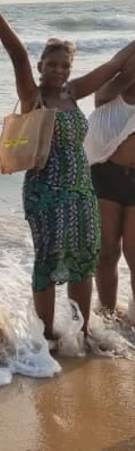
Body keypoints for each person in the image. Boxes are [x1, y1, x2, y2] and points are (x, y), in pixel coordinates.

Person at [0, 1, 135, 343]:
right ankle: (48, 337)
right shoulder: (33, 96)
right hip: (45, 192)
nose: (58, 70)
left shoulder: (72, 92)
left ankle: (80, 334)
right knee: (49, 262)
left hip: (82, 190)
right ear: (40, 67)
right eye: (51, 65)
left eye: (64, 65)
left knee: (84, 263)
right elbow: (16, 53)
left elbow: (114, 65)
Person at [84, 53, 135, 318]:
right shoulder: (109, 96)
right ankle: (107, 315)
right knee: (106, 254)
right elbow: (116, 70)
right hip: (106, 175)